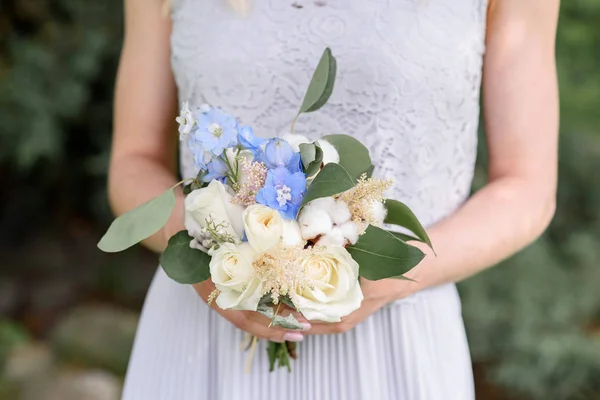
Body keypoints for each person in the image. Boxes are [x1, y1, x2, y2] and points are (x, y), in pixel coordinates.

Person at [111, 0, 559, 399]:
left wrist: (393, 272)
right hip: (205, 329)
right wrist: (215, 259)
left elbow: (527, 188)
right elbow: (134, 161)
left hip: (397, 341)